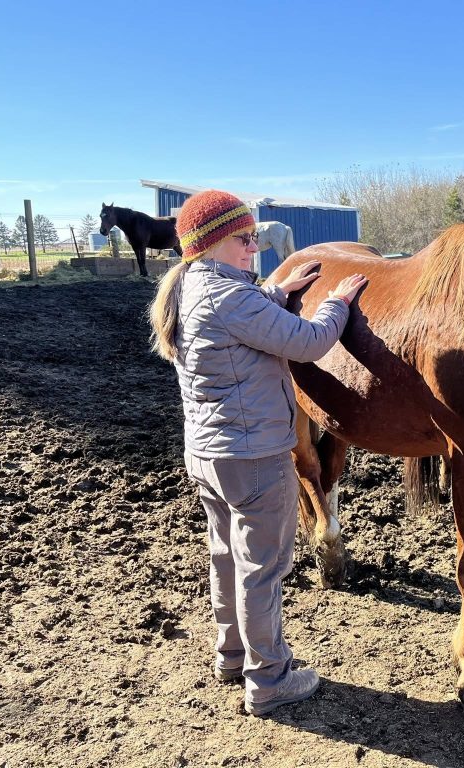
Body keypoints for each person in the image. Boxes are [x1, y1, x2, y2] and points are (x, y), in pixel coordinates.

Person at [148, 190, 367, 716]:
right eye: (244, 239)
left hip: (207, 455)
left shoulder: (190, 288)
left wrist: (275, 289)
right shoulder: (231, 298)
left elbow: (240, 314)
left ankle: (231, 656)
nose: (254, 247)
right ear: (212, 243)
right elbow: (311, 341)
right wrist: (336, 302)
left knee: (225, 558)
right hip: (255, 459)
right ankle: (269, 680)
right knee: (262, 570)